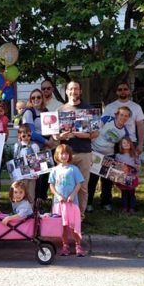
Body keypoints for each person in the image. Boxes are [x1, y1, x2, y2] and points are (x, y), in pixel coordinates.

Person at [55, 80, 98, 215]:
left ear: (80, 91)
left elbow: (95, 133)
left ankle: (79, 215)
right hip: (65, 154)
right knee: (63, 185)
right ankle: (64, 213)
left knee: (82, 186)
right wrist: (62, 135)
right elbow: (55, 136)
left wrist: (78, 134)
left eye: (76, 89)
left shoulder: (89, 109)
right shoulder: (60, 110)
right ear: (67, 91)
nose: (74, 91)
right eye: (71, 89)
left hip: (84, 153)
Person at [87, 106, 131, 212]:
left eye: (126, 116)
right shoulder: (107, 119)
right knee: (92, 180)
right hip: (95, 152)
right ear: (116, 115)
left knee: (107, 181)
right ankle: (88, 203)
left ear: (128, 118)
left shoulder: (125, 132)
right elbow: (93, 129)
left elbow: (123, 147)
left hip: (109, 155)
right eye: (121, 115)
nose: (123, 117)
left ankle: (105, 203)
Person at [49, 144, 85, 257]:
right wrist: (58, 195)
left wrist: (73, 194)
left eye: (66, 153)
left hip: (71, 203)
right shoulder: (54, 170)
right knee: (62, 226)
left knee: (73, 225)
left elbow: (79, 183)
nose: (63, 156)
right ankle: (65, 245)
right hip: (59, 203)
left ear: (69, 155)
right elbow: (52, 185)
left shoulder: (74, 169)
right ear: (57, 156)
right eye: (61, 153)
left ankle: (78, 245)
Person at [22, 89, 56, 201]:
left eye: (38, 97)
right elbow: (30, 132)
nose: (36, 99)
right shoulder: (29, 112)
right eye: (33, 97)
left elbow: (52, 128)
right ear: (30, 100)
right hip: (33, 148)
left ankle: (41, 199)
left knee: (45, 174)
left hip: (45, 147)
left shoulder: (46, 111)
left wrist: (51, 139)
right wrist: (46, 142)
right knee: (35, 176)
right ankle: (32, 200)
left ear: (42, 99)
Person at [102, 82, 144, 155]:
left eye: (125, 89)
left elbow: (140, 126)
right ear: (117, 92)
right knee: (113, 166)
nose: (123, 91)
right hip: (112, 143)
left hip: (130, 141)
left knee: (130, 165)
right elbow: (102, 125)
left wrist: (140, 144)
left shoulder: (136, 107)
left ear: (129, 91)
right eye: (120, 89)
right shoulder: (109, 107)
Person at [13, 124, 40, 204]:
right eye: (24, 136)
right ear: (20, 135)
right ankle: (20, 210)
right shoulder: (17, 146)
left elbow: (38, 160)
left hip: (32, 174)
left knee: (31, 192)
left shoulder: (34, 146)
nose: (27, 137)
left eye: (29, 135)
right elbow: (15, 158)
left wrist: (37, 172)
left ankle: (30, 210)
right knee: (20, 192)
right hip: (20, 174)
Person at [115, 137, 140, 214]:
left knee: (132, 193)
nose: (126, 144)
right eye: (124, 143)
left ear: (131, 144)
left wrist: (137, 170)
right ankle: (124, 207)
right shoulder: (118, 156)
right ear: (121, 145)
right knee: (124, 193)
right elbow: (116, 167)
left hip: (132, 177)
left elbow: (138, 165)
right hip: (122, 177)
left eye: (128, 143)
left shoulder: (134, 155)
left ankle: (132, 208)